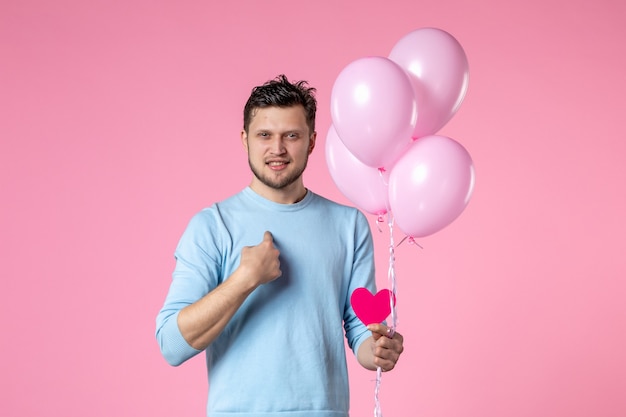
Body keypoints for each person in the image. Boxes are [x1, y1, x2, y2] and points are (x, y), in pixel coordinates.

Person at [156, 74, 404, 417]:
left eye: (291, 135)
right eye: (264, 135)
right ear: (245, 140)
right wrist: (245, 280)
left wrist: (378, 351)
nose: (278, 149)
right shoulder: (212, 226)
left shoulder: (348, 225)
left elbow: (361, 332)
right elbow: (172, 344)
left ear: (312, 141)